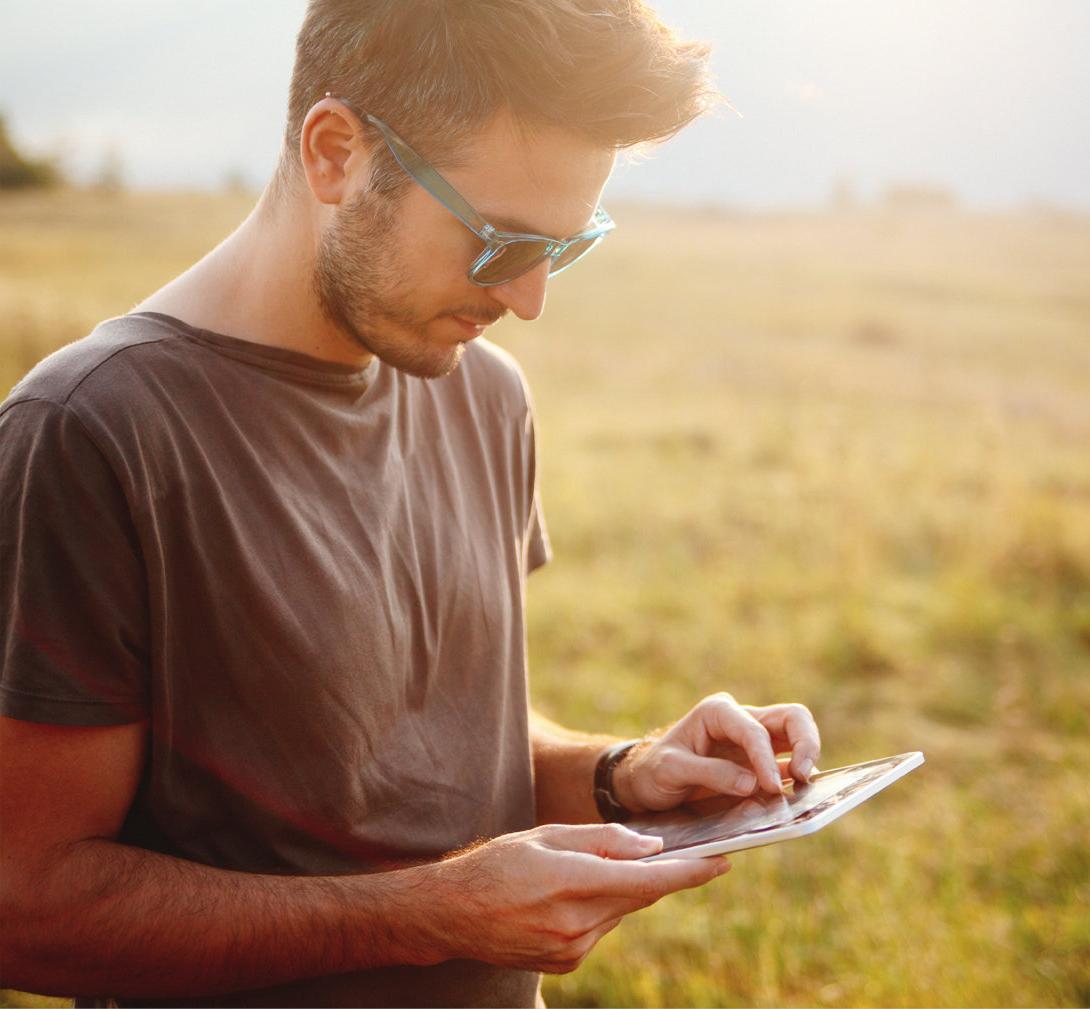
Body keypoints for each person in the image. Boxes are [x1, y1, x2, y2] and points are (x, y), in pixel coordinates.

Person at [0, 2, 821, 1006]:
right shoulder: (90, 432)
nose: (527, 300)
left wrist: (623, 769)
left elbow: (425, 745)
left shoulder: (484, 394)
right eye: (499, 241)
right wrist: (428, 912)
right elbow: (26, 902)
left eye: (564, 249)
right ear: (337, 154)